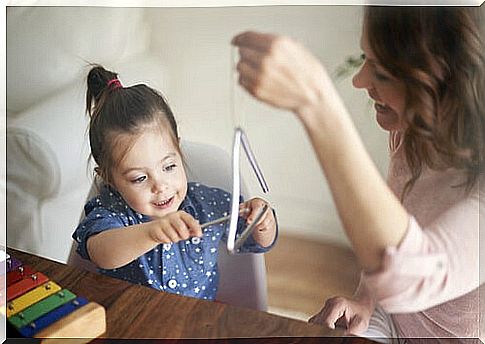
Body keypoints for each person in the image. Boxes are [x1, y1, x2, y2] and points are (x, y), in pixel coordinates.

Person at [232, 6, 484, 342]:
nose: (359, 80)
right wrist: (366, 301)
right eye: (366, 58)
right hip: (394, 324)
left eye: (381, 72)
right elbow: (392, 230)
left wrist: (316, 102)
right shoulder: (412, 134)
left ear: (444, 83)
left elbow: (410, 276)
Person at [72, 65, 278, 301]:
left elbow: (254, 240)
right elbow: (102, 253)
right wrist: (152, 233)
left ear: (179, 150)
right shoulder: (110, 213)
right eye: (139, 178)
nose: (160, 186)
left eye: (169, 167)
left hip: (195, 323)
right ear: (108, 178)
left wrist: (263, 223)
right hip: (128, 322)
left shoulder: (206, 204)